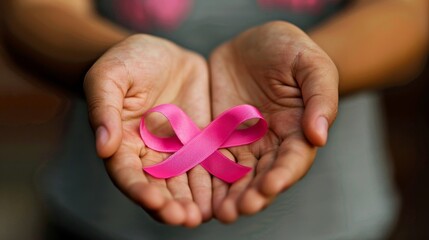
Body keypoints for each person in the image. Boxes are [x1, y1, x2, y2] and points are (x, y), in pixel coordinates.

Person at [2, 0, 428, 239]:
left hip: (330, 222)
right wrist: (110, 65)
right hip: (98, 216)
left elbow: (410, 14)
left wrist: (312, 69)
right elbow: (28, 10)